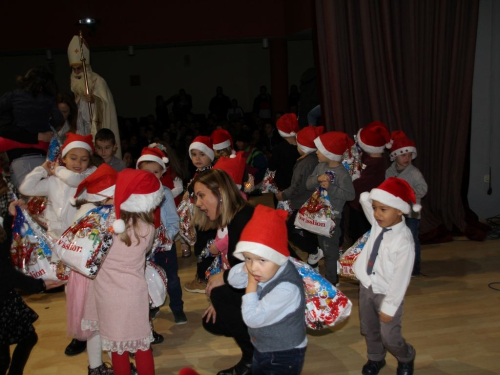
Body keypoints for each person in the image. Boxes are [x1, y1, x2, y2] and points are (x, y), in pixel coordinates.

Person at [18, 133, 97, 356]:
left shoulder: (88, 176)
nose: (78, 163)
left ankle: (89, 329)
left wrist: (58, 169)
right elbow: (26, 187)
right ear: (64, 157)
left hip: (80, 243)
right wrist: (44, 168)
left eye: (83, 158)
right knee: (69, 289)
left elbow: (74, 180)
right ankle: (79, 332)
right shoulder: (53, 181)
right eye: (73, 157)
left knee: (83, 288)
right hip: (58, 243)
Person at [82, 169, 164, 375]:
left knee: (117, 349)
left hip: (107, 296)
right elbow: (144, 252)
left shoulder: (104, 223)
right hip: (134, 293)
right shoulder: (148, 226)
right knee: (142, 345)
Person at [229, 205, 307, 375]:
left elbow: (252, 318)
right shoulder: (264, 266)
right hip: (263, 347)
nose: (253, 267)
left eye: (261, 260)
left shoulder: (287, 288)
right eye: (248, 258)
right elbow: (232, 280)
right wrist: (246, 268)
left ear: (276, 256)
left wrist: (250, 283)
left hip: (284, 354)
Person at [353, 177, 418, 375]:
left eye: (383, 209)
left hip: (388, 293)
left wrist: (390, 306)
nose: (376, 214)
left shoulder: (404, 242)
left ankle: (406, 356)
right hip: (367, 287)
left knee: (389, 335)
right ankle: (375, 358)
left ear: (399, 210)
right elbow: (365, 201)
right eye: (375, 208)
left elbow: (401, 279)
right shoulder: (378, 223)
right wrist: (371, 198)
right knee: (370, 329)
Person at [193, 169, 255, 375]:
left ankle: (253, 358)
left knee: (219, 294)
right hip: (256, 286)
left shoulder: (243, 218)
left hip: (276, 292)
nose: (197, 203)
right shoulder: (233, 217)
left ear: (220, 193)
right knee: (213, 321)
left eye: (201, 195)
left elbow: (260, 269)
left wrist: (225, 282)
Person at [0, 205, 64, 375]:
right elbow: (6, 274)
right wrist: (40, 286)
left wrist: (9, 218)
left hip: (6, 299)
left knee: (7, 354)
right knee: (24, 341)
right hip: (3, 302)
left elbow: (3, 250)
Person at [71, 163, 118, 375]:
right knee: (108, 325)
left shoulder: (84, 210)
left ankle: (95, 367)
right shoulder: (102, 214)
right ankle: (118, 366)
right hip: (98, 277)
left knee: (95, 326)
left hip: (82, 276)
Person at [136, 145, 188, 325]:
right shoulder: (135, 195)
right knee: (148, 279)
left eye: (156, 172)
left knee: (172, 278)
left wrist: (168, 236)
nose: (151, 175)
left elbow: (173, 220)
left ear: (162, 172)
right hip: (143, 247)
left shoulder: (165, 193)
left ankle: (177, 308)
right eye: (147, 171)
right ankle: (152, 306)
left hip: (164, 246)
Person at [0, 66, 63, 188]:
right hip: (41, 152)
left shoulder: (14, 95)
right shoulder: (48, 99)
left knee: (30, 195)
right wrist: (46, 128)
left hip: (20, 154)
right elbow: (58, 119)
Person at [305, 132, 355, 285]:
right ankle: (332, 275)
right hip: (318, 215)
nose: (317, 152)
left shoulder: (342, 174)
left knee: (330, 251)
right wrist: (317, 179)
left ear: (329, 154)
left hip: (333, 218)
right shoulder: (320, 167)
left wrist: (331, 188)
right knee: (325, 247)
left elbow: (350, 195)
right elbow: (308, 184)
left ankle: (332, 282)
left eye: (319, 150)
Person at [67, 35, 121, 157]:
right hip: (81, 126)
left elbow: (106, 104)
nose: (76, 73)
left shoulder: (97, 81)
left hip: (95, 126)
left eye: (79, 69)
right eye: (73, 69)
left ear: (85, 67)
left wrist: (94, 101)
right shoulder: (75, 84)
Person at [276, 125, 324, 257]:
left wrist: (283, 195)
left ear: (303, 147)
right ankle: (314, 257)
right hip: (308, 203)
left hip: (304, 204)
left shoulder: (306, 164)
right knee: (309, 232)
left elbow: (298, 186)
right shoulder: (312, 159)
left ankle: (315, 251)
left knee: (288, 232)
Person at [385, 131, 427, 276]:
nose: (407, 158)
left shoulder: (414, 173)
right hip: (396, 213)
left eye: (410, 155)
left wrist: (409, 192)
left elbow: (423, 189)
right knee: (395, 240)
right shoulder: (389, 172)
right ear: (395, 155)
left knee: (411, 240)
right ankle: (397, 267)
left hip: (411, 212)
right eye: (403, 155)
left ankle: (414, 269)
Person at [348, 121, 390, 242]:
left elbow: (362, 184)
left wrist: (351, 181)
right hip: (358, 204)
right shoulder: (369, 158)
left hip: (364, 206)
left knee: (362, 236)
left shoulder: (376, 164)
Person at [269, 113, 300, 206]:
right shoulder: (302, 147)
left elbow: (271, 166)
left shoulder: (279, 148)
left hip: (283, 187)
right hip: (299, 187)